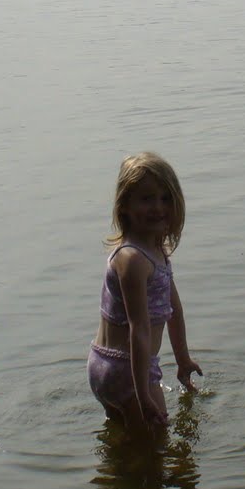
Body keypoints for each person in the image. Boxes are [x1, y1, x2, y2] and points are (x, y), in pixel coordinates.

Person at [88, 153, 201, 432]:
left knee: (124, 441)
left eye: (165, 198)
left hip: (105, 365)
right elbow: (138, 330)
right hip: (129, 370)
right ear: (124, 205)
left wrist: (183, 359)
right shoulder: (133, 259)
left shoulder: (154, 252)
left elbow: (174, 312)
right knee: (157, 444)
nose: (158, 207)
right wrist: (143, 396)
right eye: (147, 199)